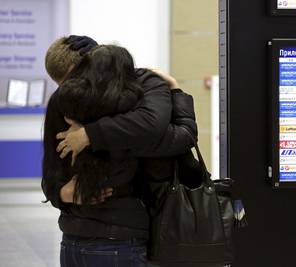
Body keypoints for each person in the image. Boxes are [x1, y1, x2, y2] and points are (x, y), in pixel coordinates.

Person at [42, 37, 197, 267]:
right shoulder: (140, 93)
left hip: (75, 238)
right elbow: (182, 137)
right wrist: (174, 89)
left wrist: (89, 135)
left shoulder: (71, 103)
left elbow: (51, 171)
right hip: (121, 237)